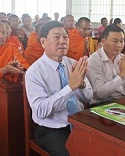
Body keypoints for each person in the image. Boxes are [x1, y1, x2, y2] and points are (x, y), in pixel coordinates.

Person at [25, 21, 93, 156]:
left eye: (65, 37)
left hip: (80, 122)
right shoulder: (34, 72)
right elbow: (40, 111)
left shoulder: (73, 64)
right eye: (56, 37)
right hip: (51, 128)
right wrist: (70, 87)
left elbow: (89, 97)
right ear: (43, 42)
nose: (63, 41)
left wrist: (81, 85)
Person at [87, 25, 125, 103]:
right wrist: (122, 74)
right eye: (115, 41)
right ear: (103, 42)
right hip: (103, 104)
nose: (119, 45)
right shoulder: (94, 60)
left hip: (124, 100)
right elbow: (100, 93)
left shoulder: (122, 58)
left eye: (121, 41)